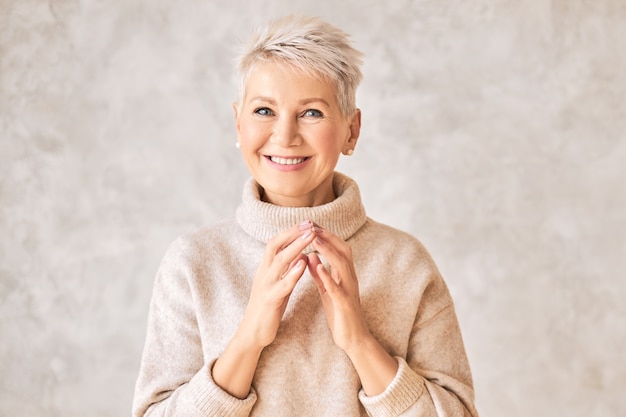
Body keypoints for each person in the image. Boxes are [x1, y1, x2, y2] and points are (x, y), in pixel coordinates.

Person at [133, 15, 478, 417]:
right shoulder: (192, 264)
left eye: (312, 113)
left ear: (352, 130)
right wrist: (248, 338)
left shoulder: (405, 263)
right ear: (237, 123)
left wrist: (359, 341)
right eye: (264, 110)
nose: (285, 135)